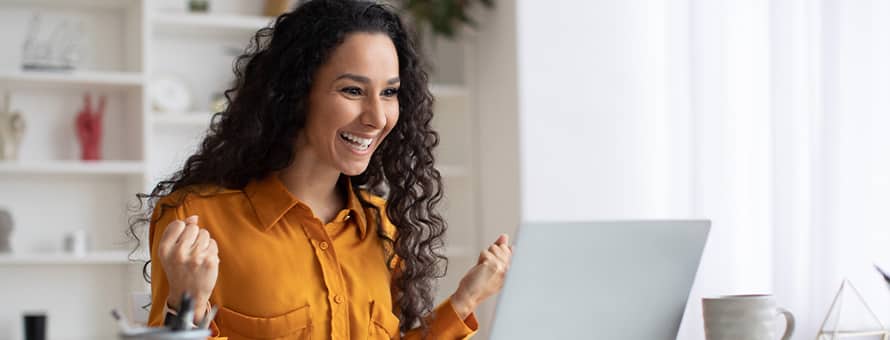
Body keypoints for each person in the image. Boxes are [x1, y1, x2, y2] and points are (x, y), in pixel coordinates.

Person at [131, 0, 513, 339]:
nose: (377, 117)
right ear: (296, 94)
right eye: (353, 90)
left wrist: (465, 301)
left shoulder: (382, 226)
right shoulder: (196, 220)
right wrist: (188, 310)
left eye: (389, 92)